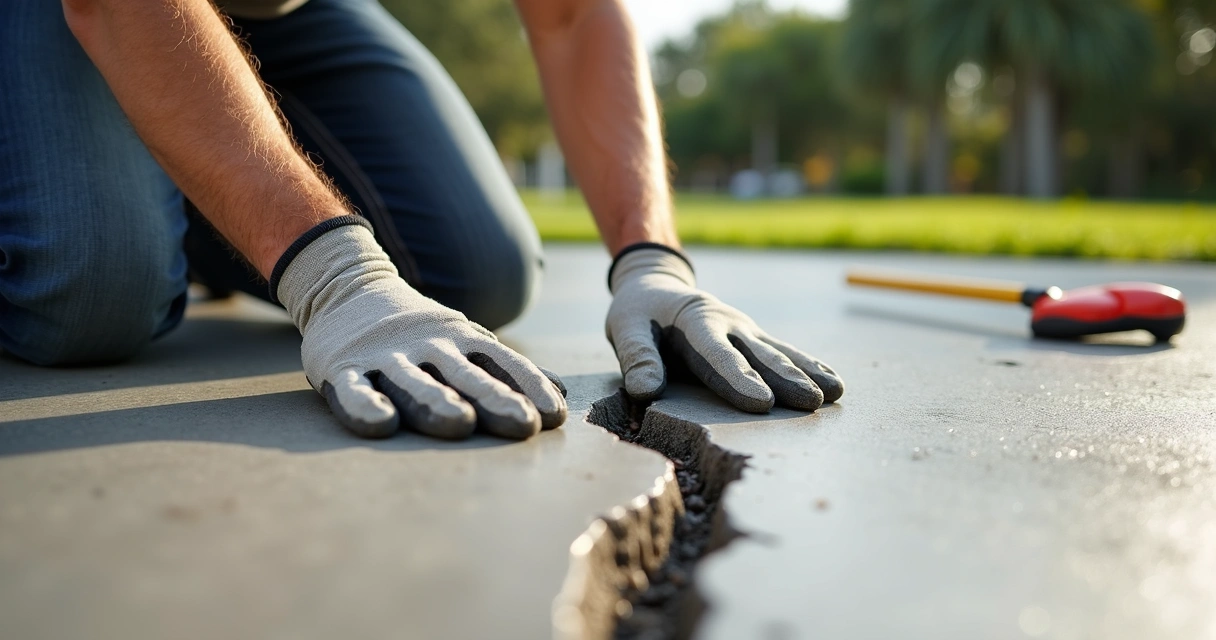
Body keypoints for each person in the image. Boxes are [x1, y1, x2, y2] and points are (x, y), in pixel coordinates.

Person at [0, 0, 843, 440]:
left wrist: (651, 259)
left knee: (479, 268)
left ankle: (187, 171)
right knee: (92, 290)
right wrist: (332, 277)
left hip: (283, 13)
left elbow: (573, 14)